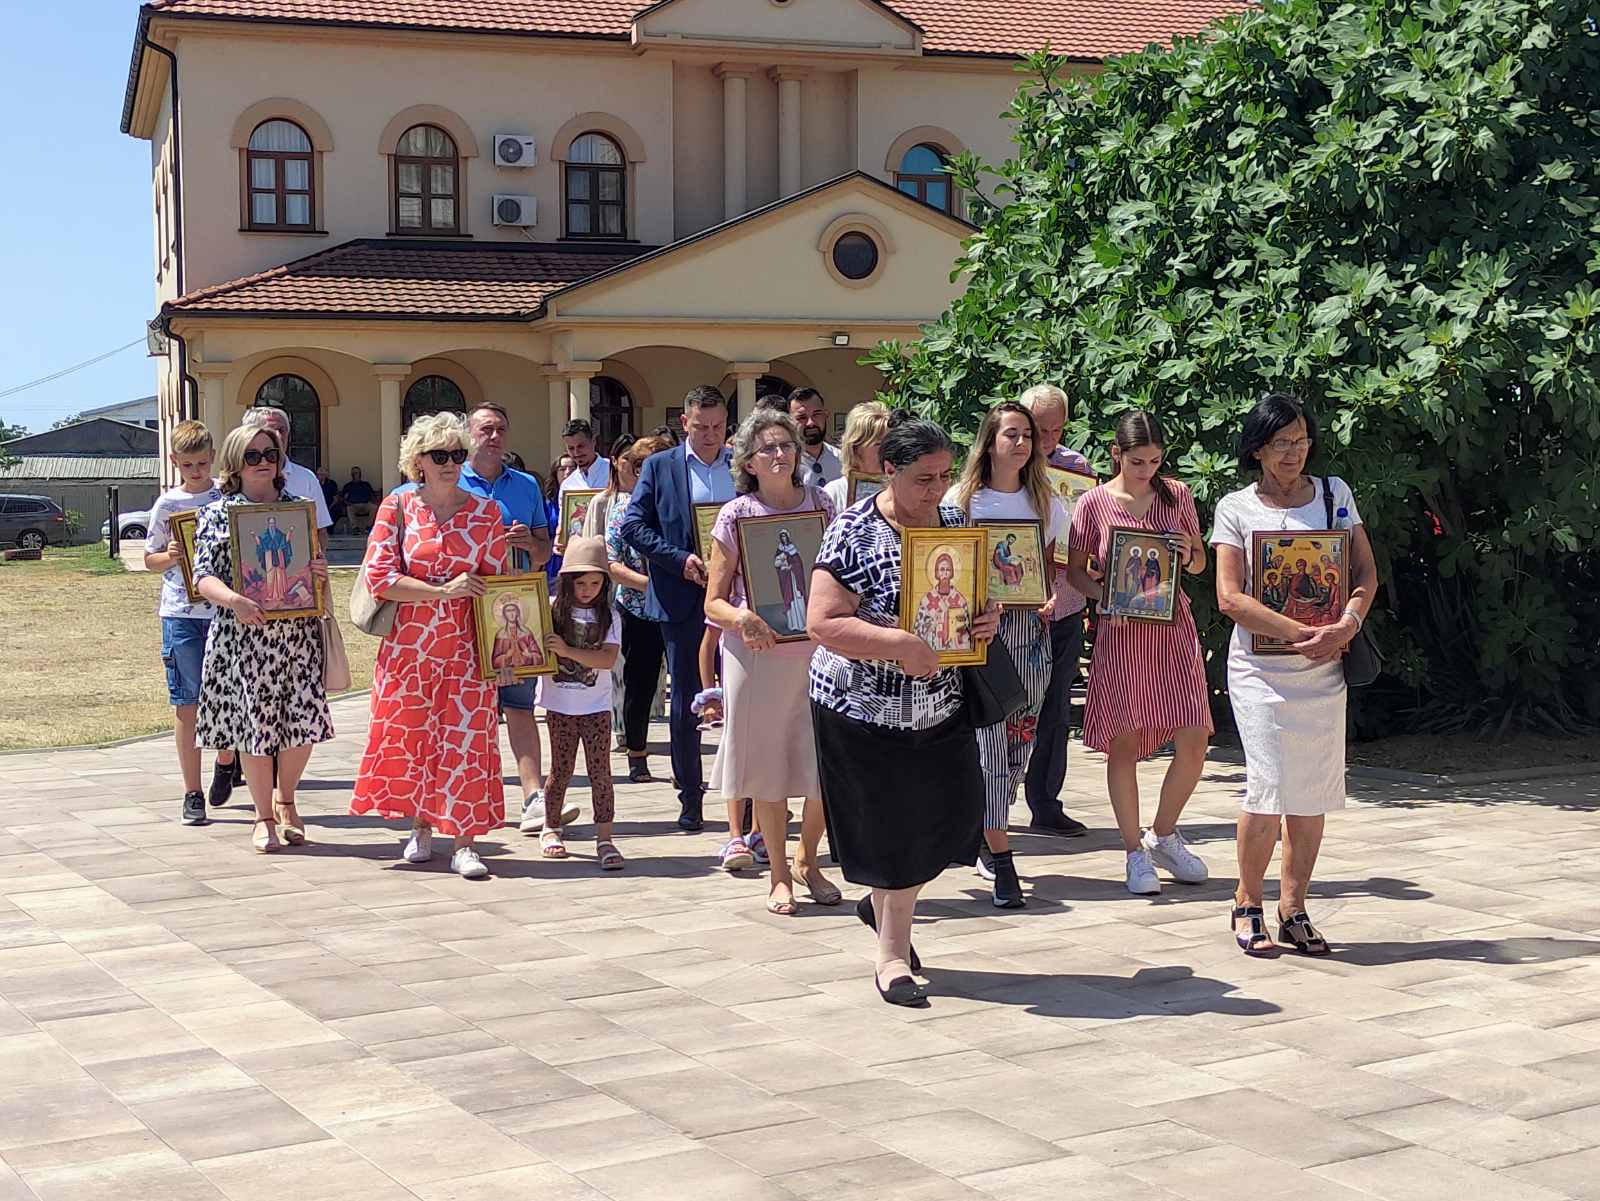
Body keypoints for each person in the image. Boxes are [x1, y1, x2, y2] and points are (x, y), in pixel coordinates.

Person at [808, 412, 1001, 1006]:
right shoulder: (853, 531)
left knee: (946, 817)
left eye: (944, 476)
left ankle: (881, 908)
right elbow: (822, 623)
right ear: (888, 469)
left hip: (940, 703)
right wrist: (898, 644)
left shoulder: (954, 523)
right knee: (892, 830)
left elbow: (972, 598)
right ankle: (892, 956)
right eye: (924, 478)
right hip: (862, 707)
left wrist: (985, 620)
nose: (937, 489)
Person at [1212, 394, 1378, 955]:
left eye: (1301, 440)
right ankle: (1246, 901)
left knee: (1311, 791)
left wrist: (1346, 625)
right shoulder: (1235, 507)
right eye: (1281, 442)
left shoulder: (1334, 494)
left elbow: (1364, 572)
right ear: (1257, 449)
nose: (1294, 452)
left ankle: (1294, 907)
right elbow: (1230, 597)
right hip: (1261, 671)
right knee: (1267, 786)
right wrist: (1301, 631)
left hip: (1324, 669)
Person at [349, 413, 510, 879]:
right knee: (415, 739)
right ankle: (420, 827)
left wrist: (504, 652)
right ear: (418, 460)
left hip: (466, 649)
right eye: (440, 455)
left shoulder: (487, 513)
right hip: (409, 650)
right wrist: (441, 591)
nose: (450, 463)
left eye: (457, 454)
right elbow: (380, 578)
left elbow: (500, 585)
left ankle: (465, 842)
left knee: (467, 744)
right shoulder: (397, 507)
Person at [1065, 411, 1213, 896]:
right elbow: (1076, 571)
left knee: (1195, 734)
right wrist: (1106, 597)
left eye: (1154, 461)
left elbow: (1199, 562)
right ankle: (1133, 851)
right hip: (1122, 632)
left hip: (1173, 628)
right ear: (1116, 455)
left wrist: (1187, 551)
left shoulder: (1177, 495)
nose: (1146, 470)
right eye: (1137, 461)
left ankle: (1163, 833)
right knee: (1124, 742)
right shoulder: (1093, 503)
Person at [704, 410, 840, 914]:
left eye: (787, 444)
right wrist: (744, 618)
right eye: (769, 448)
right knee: (767, 766)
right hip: (756, 655)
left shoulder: (822, 504)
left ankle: (808, 859)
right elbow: (713, 601)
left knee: (823, 764)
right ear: (749, 462)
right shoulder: (735, 514)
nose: (781, 454)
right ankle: (779, 875)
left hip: (818, 651)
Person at [946, 401, 1066, 908]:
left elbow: (1049, 567)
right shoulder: (962, 501)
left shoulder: (1045, 501)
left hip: (1031, 636)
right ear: (989, 442)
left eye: (1026, 436)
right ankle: (1002, 858)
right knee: (990, 744)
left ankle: (985, 823)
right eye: (1010, 434)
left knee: (1022, 741)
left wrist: (1049, 594)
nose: (1020, 443)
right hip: (983, 636)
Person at [192, 424, 332, 853]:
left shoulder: (299, 510)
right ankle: (263, 816)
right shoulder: (217, 513)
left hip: (297, 635)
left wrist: (318, 572)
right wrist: (234, 600)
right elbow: (202, 576)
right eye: (252, 455)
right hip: (243, 637)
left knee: (303, 723)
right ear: (235, 463)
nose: (262, 462)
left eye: (269, 453)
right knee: (256, 726)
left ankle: (286, 800)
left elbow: (310, 565)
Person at [620, 385, 735, 832]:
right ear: (685, 423)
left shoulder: (740, 465)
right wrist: (678, 559)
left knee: (743, 699)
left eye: (718, 426)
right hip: (682, 598)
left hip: (739, 600)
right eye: (701, 426)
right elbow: (634, 525)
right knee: (688, 701)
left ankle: (747, 802)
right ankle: (690, 798)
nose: (710, 435)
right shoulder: (660, 466)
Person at [456, 403, 558, 837]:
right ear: (468, 434)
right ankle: (467, 798)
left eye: (500, 429)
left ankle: (533, 796)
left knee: (519, 703)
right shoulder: (452, 480)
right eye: (485, 429)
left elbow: (545, 550)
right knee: (469, 710)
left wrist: (529, 543)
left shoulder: (526, 484)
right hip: (465, 607)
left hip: (514, 603)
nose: (493, 436)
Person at [144, 419, 236, 825]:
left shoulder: (225, 497)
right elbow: (149, 559)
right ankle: (192, 791)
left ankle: (227, 759)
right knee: (187, 701)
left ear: (212, 457)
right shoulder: (167, 504)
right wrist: (170, 556)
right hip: (181, 612)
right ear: (174, 462)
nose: (196, 471)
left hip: (221, 610)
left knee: (229, 693)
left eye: (202, 463)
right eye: (188, 465)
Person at [1021, 384, 1094, 837]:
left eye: (1056, 430)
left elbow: (1089, 529)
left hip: (1065, 603)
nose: (1048, 439)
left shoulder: (1077, 469)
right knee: (1003, 708)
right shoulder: (1004, 465)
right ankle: (987, 810)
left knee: (1056, 707)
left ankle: (1046, 802)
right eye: (1040, 429)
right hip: (1013, 610)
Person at [537, 537, 624, 870]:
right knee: (560, 770)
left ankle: (605, 837)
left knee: (600, 771)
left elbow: (607, 659)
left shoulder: (610, 616)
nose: (588, 590)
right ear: (568, 580)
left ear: (604, 583)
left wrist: (568, 651)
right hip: (559, 705)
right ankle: (550, 826)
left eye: (595, 583)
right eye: (581, 583)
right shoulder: (549, 609)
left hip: (596, 706)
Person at [605, 435, 673, 783]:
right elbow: (612, 563)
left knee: (684, 683)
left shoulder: (678, 506)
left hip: (678, 606)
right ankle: (637, 753)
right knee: (640, 682)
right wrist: (649, 585)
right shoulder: (623, 509)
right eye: (643, 466)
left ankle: (684, 761)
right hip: (637, 606)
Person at [241, 406, 332, 534]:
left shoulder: (306, 479)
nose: (278, 436)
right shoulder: (234, 480)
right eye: (271, 431)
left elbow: (320, 530)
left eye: (282, 430)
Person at [824, 401, 890, 514]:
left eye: (889, 443)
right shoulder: (834, 493)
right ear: (855, 447)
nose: (887, 450)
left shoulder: (899, 490)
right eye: (878, 444)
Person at [788, 387, 842, 486]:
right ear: (790, 421)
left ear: (826, 415)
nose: (810, 423)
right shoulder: (786, 462)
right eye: (802, 417)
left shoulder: (842, 460)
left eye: (816, 414)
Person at [545, 454, 576, 580]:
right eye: (562, 469)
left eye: (572, 468)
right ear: (555, 474)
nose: (567, 472)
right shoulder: (547, 504)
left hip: (577, 557)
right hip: (554, 560)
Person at [559, 418, 611, 493]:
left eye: (580, 446)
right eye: (571, 448)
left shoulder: (614, 471)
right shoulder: (567, 486)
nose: (576, 452)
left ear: (593, 442)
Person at [341, 467, 378, 533]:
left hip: (365, 504)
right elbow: (342, 498)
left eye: (356, 472)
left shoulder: (366, 484)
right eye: (353, 473)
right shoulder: (348, 486)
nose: (355, 474)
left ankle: (368, 527)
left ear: (360, 474)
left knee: (374, 507)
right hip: (353, 505)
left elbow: (372, 495)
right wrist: (347, 502)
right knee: (349, 508)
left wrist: (373, 501)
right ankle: (355, 528)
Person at [315, 465, 345, 531]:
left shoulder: (332, 484)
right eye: (318, 474)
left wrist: (328, 508)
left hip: (330, 507)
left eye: (322, 474)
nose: (320, 476)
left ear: (326, 475)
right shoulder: (314, 483)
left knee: (331, 516)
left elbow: (336, 499)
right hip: (317, 507)